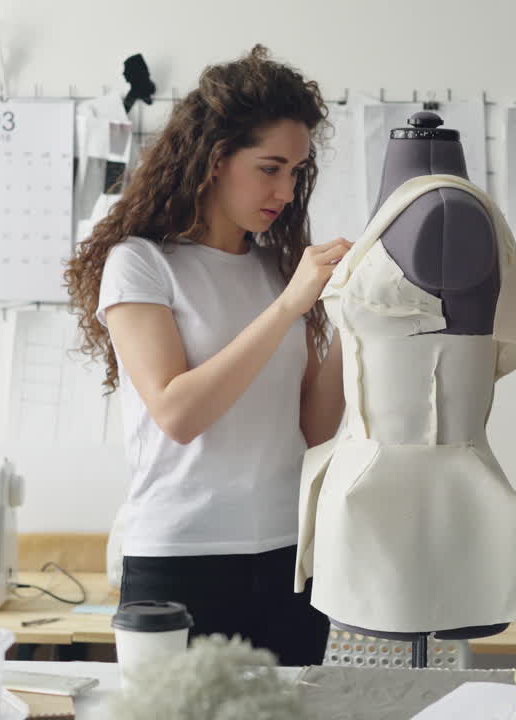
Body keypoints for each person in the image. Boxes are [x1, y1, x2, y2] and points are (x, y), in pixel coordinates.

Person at [64, 45, 350, 665]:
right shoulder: (141, 262)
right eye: (270, 167)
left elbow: (312, 429)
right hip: (179, 560)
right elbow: (178, 412)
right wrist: (287, 309)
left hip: (290, 556)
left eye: (297, 172)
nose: (286, 188)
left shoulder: (279, 268)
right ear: (216, 159)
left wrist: (353, 326)